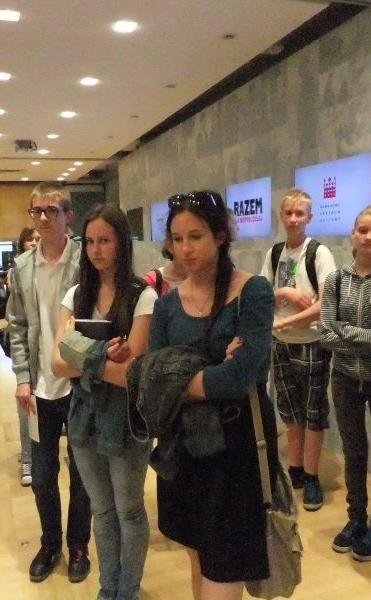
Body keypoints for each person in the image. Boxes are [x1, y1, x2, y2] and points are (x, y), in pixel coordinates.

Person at [148, 190, 277, 600]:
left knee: (225, 563)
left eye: (196, 236)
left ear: (220, 236)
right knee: (198, 553)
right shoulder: (168, 305)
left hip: (236, 448)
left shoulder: (252, 291)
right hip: (184, 446)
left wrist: (179, 381)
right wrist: (214, 370)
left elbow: (239, 379)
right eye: (177, 238)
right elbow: (153, 379)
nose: (185, 248)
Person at [52, 203, 157, 600]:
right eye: (90, 241)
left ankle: (127, 591)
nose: (96, 250)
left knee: (129, 510)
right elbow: (56, 363)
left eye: (105, 241)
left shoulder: (142, 296)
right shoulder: (76, 294)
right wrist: (101, 356)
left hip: (128, 420)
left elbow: (131, 374)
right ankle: (107, 587)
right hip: (83, 417)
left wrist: (80, 354)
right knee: (101, 510)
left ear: (121, 243)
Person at [5, 182, 91, 583]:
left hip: (79, 385)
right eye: (36, 211)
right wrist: (23, 378)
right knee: (42, 476)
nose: (43, 218)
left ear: (67, 216)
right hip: (39, 390)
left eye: (51, 211)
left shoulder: (86, 261)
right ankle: (50, 543)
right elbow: (17, 326)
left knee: (82, 473)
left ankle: (78, 545)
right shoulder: (23, 266)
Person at [319, 205, 371, 560]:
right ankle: (356, 518)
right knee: (354, 452)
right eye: (363, 230)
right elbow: (325, 334)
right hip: (343, 377)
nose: (368, 237)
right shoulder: (335, 280)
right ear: (353, 233)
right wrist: (358, 336)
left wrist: (347, 331)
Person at [260, 188, 336, 511]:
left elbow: (325, 304)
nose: (293, 219)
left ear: (309, 217)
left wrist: (282, 323)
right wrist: (286, 294)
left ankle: (312, 474)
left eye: (299, 214)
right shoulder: (275, 253)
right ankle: (295, 468)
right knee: (290, 410)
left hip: (311, 343)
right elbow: (262, 294)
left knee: (313, 412)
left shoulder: (318, 253)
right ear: (281, 216)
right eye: (288, 213)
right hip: (281, 345)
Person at [11, 227, 39, 487]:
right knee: (26, 408)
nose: (34, 242)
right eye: (29, 239)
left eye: (37, 238)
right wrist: (21, 373)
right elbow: (17, 321)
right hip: (31, 353)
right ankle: (28, 458)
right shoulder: (19, 268)